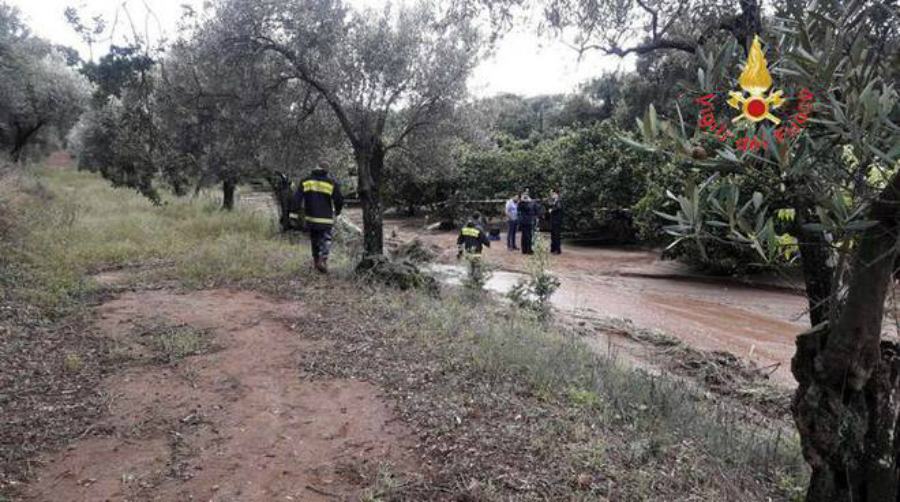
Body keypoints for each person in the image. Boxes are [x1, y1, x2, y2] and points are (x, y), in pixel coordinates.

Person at [294, 162, 344, 273]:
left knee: (314, 240)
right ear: (326, 171)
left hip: (311, 218)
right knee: (326, 240)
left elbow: (296, 199)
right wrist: (338, 211)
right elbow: (339, 199)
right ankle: (323, 259)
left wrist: (295, 214)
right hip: (325, 218)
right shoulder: (331, 183)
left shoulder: (306, 181)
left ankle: (316, 262)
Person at [548, 189, 563, 254]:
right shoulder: (553, 201)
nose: (552, 195)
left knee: (556, 235)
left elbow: (558, 208)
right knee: (553, 235)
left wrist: (552, 210)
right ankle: (553, 249)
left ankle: (557, 250)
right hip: (553, 221)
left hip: (557, 221)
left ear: (556, 194)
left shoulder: (558, 201)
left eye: (553, 194)